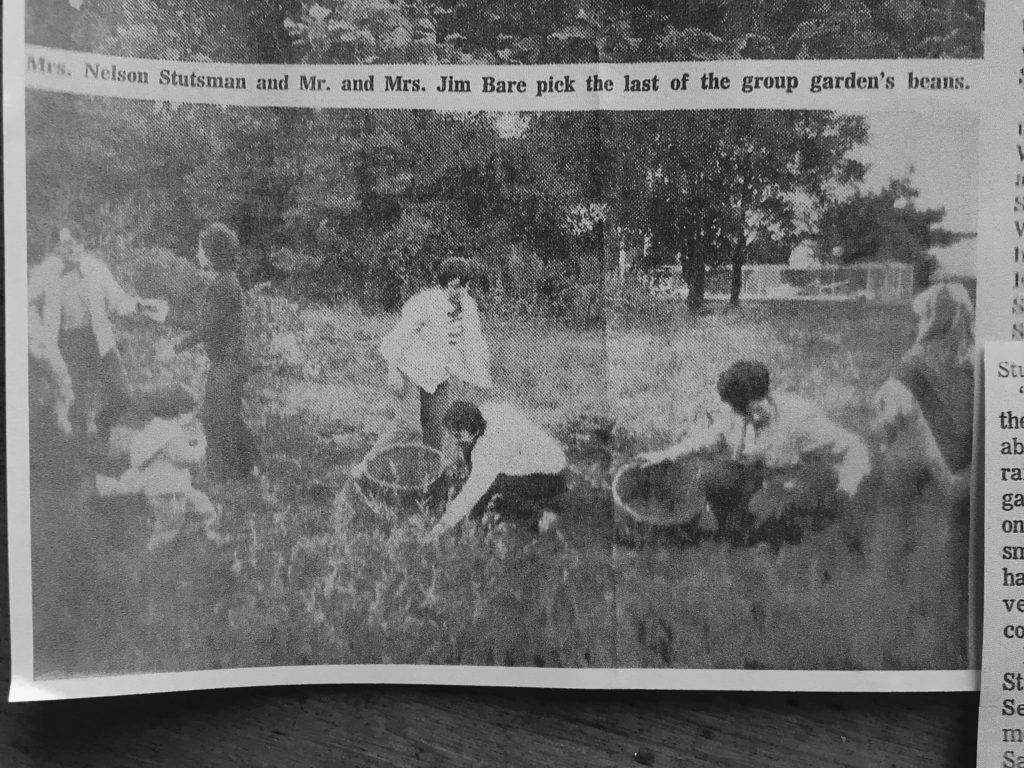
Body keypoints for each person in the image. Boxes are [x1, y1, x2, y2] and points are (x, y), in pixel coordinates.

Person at [639, 360, 870, 544]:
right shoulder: (736, 412)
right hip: (760, 479)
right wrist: (666, 454)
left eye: (753, 411)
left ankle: (775, 530)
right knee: (713, 478)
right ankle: (732, 528)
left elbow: (855, 448)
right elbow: (710, 438)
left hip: (797, 483)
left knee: (770, 517)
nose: (748, 419)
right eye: (742, 414)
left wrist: (845, 492)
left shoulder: (799, 419)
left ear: (766, 396)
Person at [28, 225, 158, 440]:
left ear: (82, 244)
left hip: (99, 339)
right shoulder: (46, 272)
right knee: (76, 403)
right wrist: (39, 335)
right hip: (68, 343)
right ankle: (83, 459)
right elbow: (27, 302)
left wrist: (139, 305)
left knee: (122, 394)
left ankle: (101, 426)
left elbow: (118, 301)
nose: (70, 249)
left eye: (75, 243)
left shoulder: (96, 268)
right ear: (56, 248)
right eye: (64, 245)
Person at [170, 223, 257, 481]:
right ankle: (245, 466)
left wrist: (176, 347)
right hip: (232, 360)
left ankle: (224, 472)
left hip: (228, 362)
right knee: (226, 414)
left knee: (215, 416)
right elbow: (208, 324)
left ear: (211, 253)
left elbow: (207, 328)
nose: (197, 253)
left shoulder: (222, 286)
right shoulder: (226, 282)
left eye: (200, 248)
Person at [379, 256, 493, 452]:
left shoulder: (469, 307)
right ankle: (365, 469)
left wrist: (479, 378)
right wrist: (393, 370)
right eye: (456, 286)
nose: (462, 291)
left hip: (438, 375)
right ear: (444, 285)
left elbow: (475, 343)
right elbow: (400, 335)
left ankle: (431, 478)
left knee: (435, 432)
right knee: (407, 428)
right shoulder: (425, 303)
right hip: (409, 370)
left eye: (466, 286)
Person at [872, 282, 974, 496]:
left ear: (931, 323)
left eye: (921, 319)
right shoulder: (976, 370)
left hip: (930, 497)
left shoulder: (904, 380)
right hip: (952, 488)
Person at [95, 384, 219, 549]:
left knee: (202, 504)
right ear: (180, 411)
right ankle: (154, 552)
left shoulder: (154, 429)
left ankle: (211, 535)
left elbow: (147, 456)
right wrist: (201, 446)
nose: (192, 417)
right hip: (169, 490)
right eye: (190, 412)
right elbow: (185, 458)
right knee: (170, 525)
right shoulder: (170, 432)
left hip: (168, 488)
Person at [425, 401, 568, 541]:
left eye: (457, 435)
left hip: (549, 477)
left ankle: (543, 519)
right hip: (551, 458)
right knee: (479, 468)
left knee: (496, 496)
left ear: (468, 430)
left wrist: (440, 528)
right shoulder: (487, 411)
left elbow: (470, 495)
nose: (455, 439)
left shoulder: (489, 450)